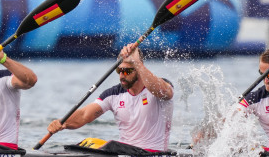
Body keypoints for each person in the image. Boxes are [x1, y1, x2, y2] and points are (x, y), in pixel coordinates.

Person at [46, 43, 174, 151]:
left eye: (127, 71)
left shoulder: (159, 87)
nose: (121, 76)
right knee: (87, 142)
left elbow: (164, 91)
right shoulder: (113, 94)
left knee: (109, 145)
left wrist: (137, 62)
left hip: (152, 153)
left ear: (139, 69)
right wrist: (63, 123)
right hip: (124, 151)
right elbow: (85, 115)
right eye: (119, 70)